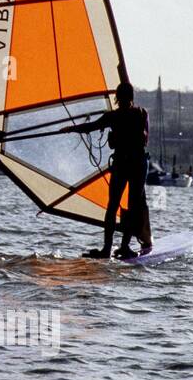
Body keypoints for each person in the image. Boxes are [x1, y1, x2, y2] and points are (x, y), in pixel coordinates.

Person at [62, 81, 153, 259]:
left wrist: (71, 129)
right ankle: (125, 247)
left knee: (112, 206)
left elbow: (90, 127)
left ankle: (107, 249)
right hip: (138, 164)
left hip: (122, 164)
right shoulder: (142, 113)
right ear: (132, 97)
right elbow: (146, 138)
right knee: (132, 206)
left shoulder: (113, 116)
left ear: (117, 98)